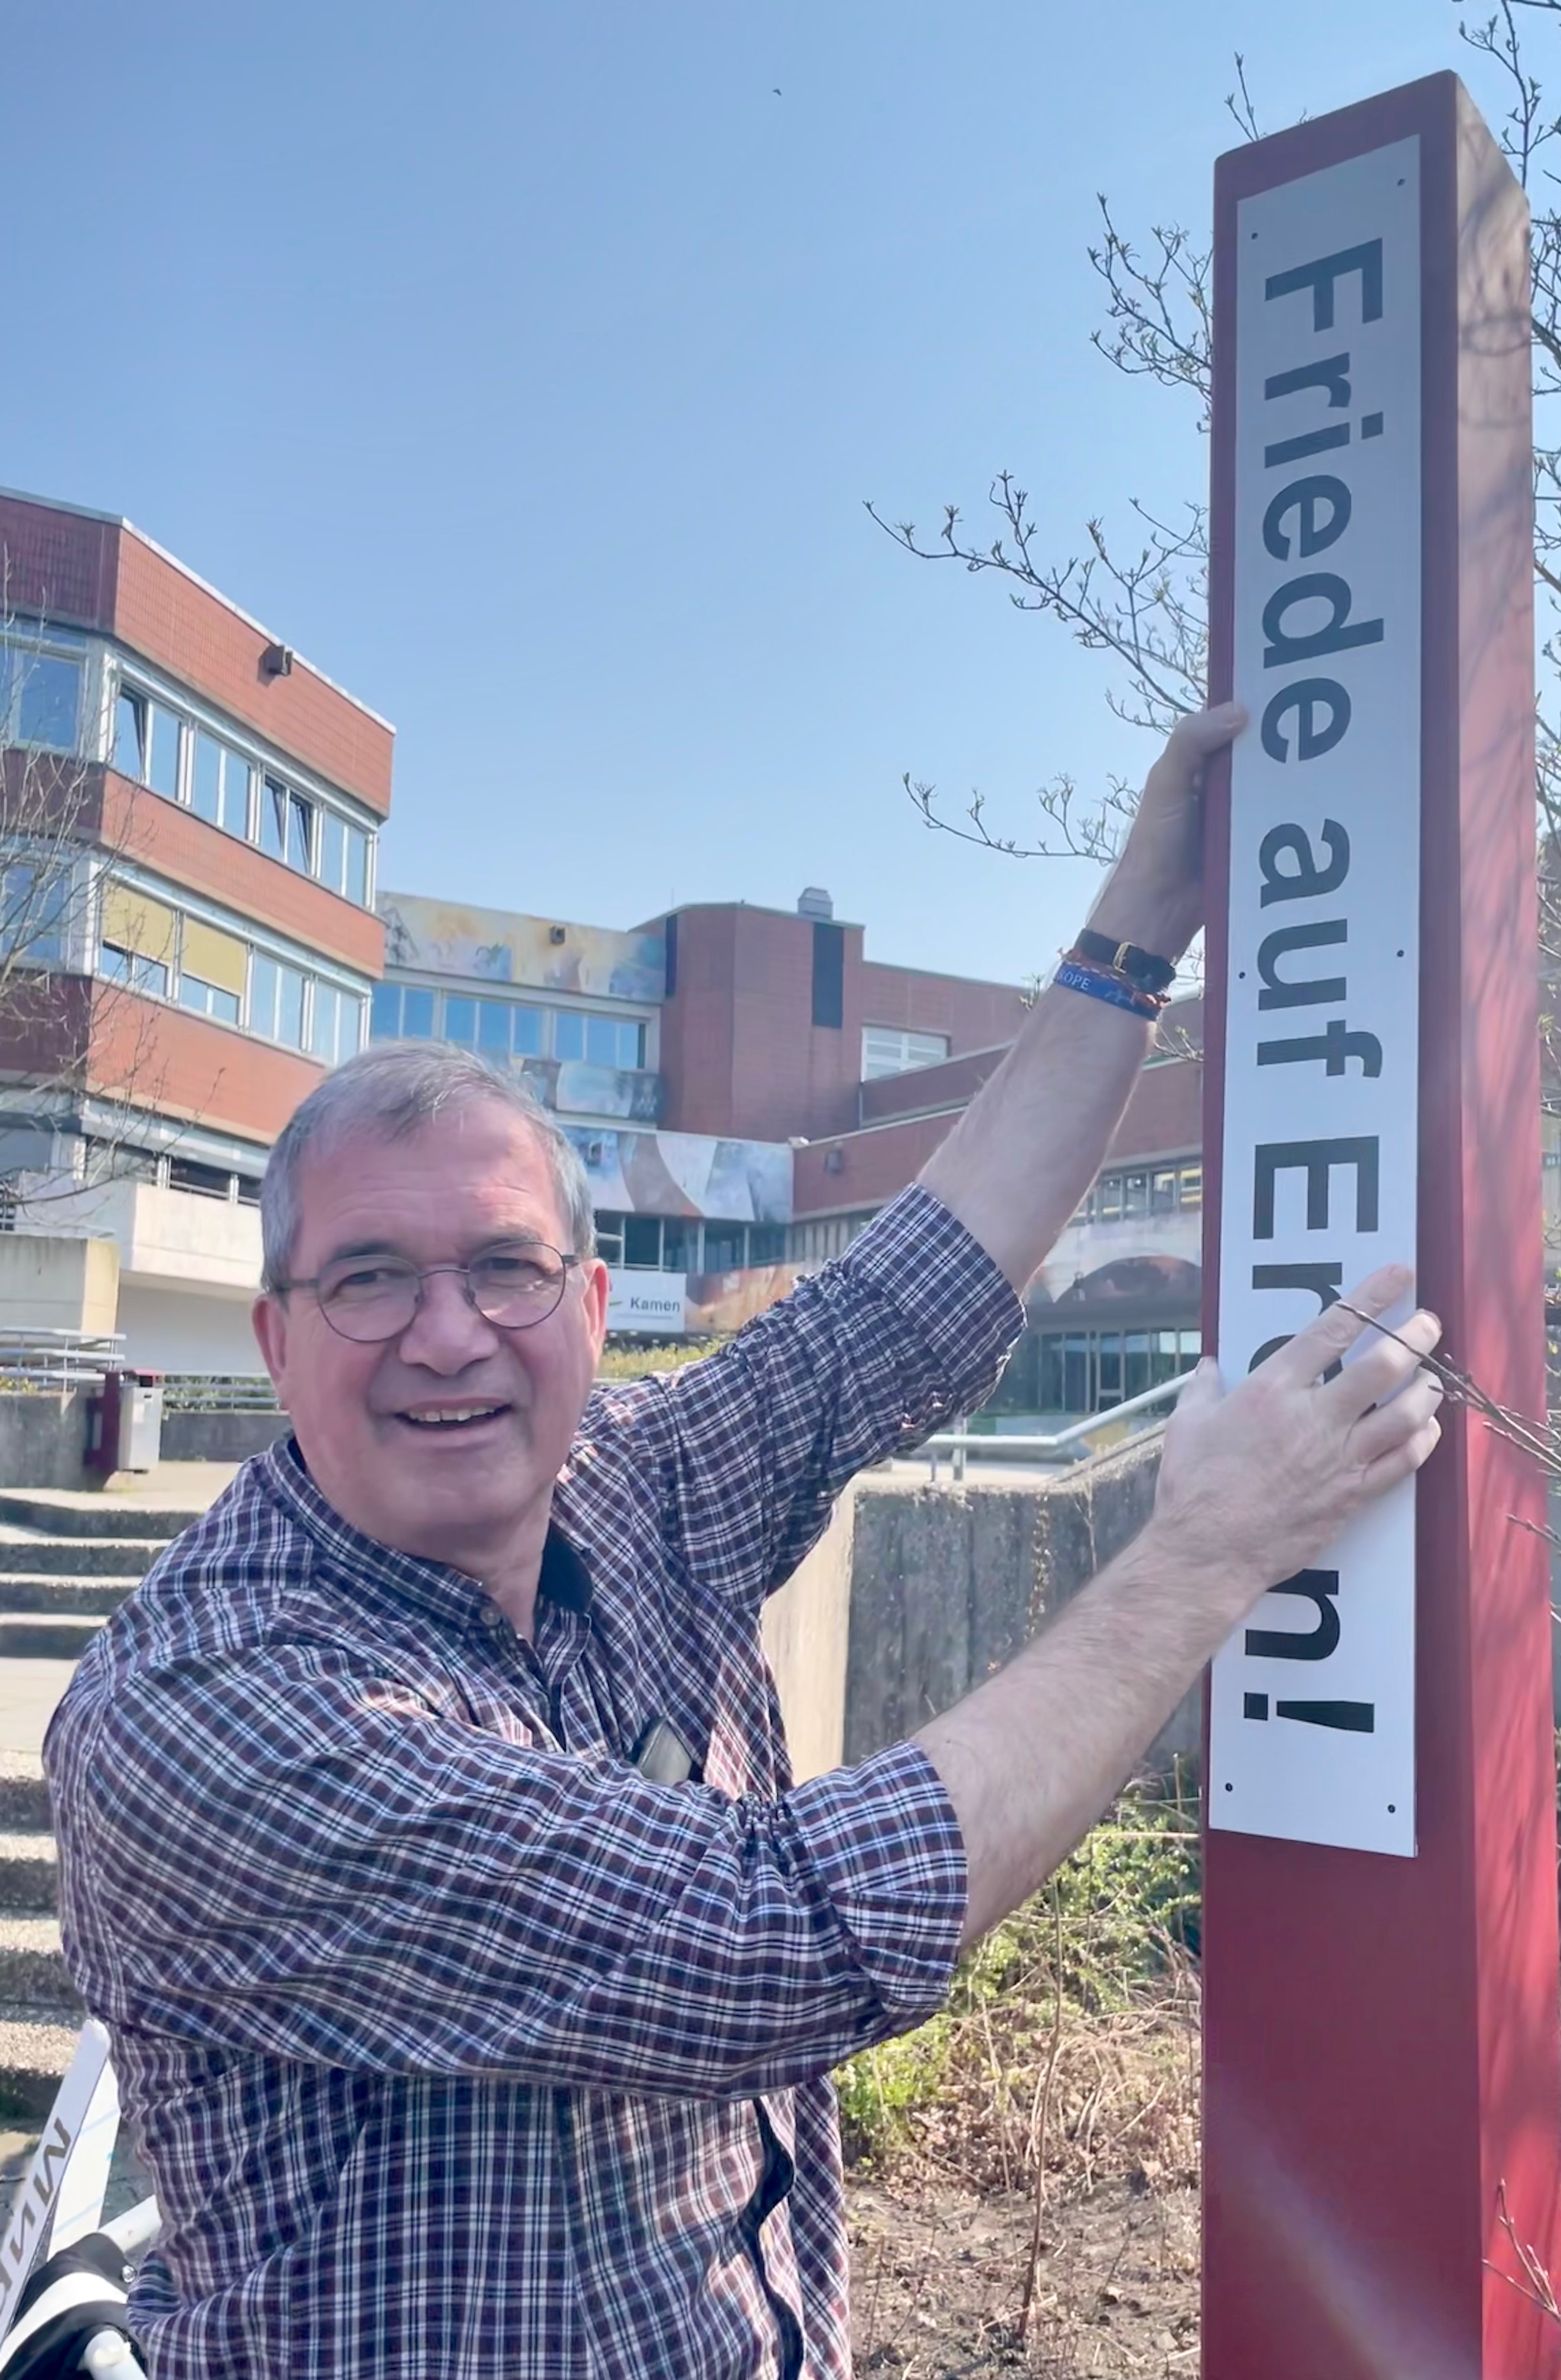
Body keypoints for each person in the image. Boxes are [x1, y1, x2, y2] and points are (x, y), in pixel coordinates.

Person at [45, 704, 1442, 2379]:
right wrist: (1204, 1556)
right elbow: (780, 1937)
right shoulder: (208, 1719)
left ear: (588, 1307)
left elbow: (905, 1301)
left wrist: (1139, 931)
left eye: (503, 1268)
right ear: (276, 1341)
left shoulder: (624, 1487)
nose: (447, 1334)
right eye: (370, 1278)